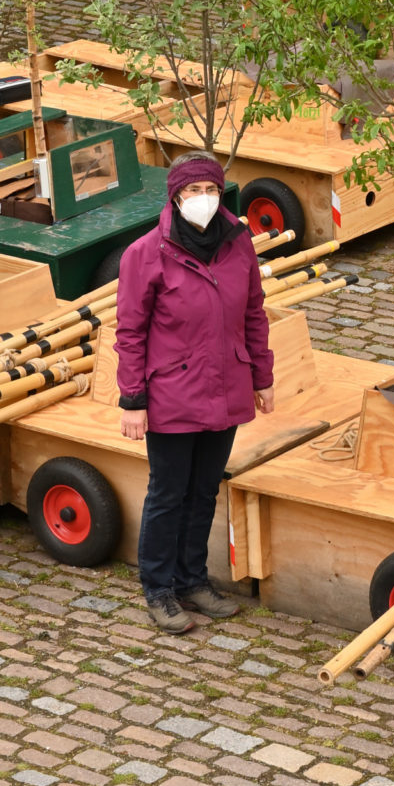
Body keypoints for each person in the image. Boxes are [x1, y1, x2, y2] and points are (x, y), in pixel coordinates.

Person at [114, 155, 276, 633]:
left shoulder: (239, 244)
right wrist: (133, 400)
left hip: (226, 388)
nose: (202, 198)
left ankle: (192, 579)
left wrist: (262, 379)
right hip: (171, 394)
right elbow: (130, 333)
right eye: (193, 190)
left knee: (204, 491)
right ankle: (159, 589)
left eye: (210, 188)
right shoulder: (144, 254)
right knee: (168, 494)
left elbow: (254, 314)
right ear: (175, 196)